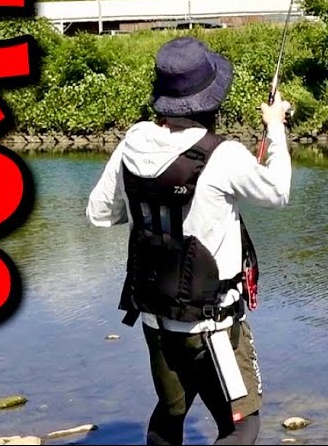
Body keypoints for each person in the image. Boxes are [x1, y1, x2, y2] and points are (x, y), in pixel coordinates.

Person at [86, 36, 293, 445]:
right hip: (212, 328)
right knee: (241, 425)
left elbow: (99, 213)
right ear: (211, 101)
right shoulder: (224, 155)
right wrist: (274, 126)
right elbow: (278, 191)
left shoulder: (131, 145)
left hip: (154, 320)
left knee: (171, 411)